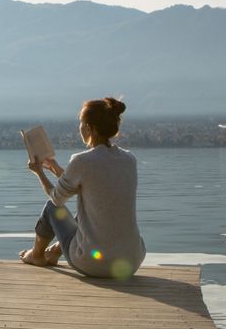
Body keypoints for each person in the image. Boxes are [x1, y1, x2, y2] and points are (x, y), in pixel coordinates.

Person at [20, 97, 144, 280]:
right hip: (132, 261)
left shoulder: (82, 160)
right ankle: (54, 253)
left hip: (95, 263)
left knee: (51, 208)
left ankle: (36, 255)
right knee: (91, 208)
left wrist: (39, 172)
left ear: (88, 128)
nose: (79, 128)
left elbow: (57, 198)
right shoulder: (129, 159)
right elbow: (92, 187)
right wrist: (55, 168)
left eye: (81, 123)